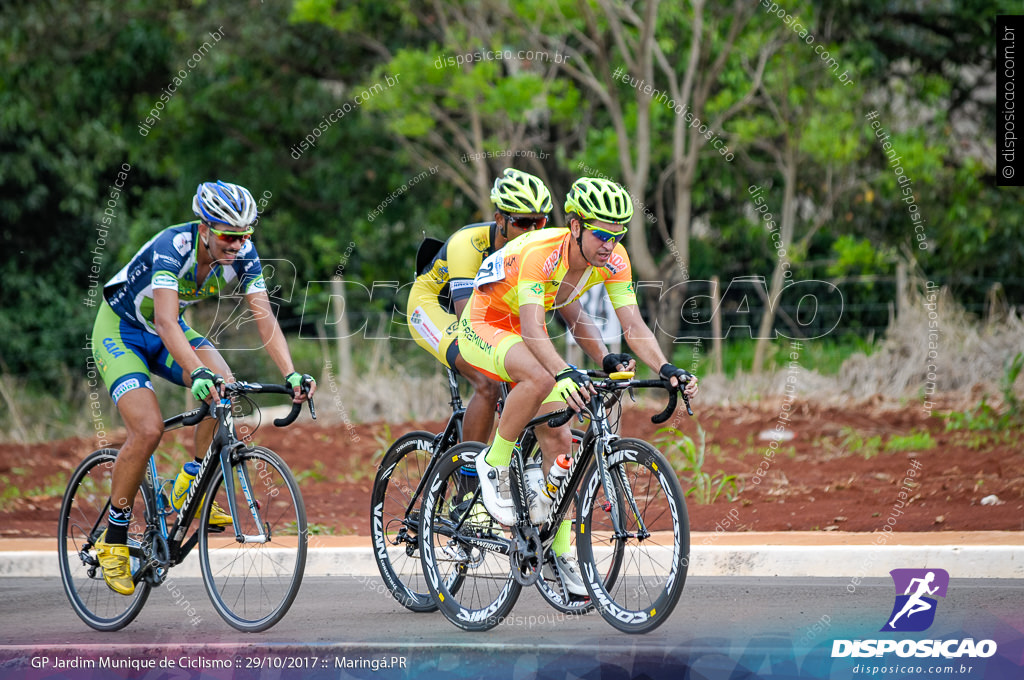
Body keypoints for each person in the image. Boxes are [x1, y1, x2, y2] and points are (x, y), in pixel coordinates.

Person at [458, 176, 700, 594]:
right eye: (602, 235)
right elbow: (534, 329)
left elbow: (633, 324)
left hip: (523, 331)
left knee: (561, 442)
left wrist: (665, 368)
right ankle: (493, 464)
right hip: (486, 323)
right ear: (575, 227)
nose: (610, 244)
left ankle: (561, 554)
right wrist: (565, 370)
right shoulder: (542, 253)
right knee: (541, 376)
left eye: (617, 234)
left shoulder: (614, 259)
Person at [90, 180, 316, 596]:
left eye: (246, 234)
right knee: (148, 429)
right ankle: (114, 539)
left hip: (166, 331)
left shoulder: (242, 254)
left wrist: (291, 374)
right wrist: (196, 372)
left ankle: (189, 482)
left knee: (226, 388)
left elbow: (264, 317)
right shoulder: (172, 246)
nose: (238, 243)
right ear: (206, 228)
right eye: (230, 235)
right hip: (122, 332)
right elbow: (164, 321)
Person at [407, 168, 552, 443]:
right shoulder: (468, 243)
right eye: (523, 223)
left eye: (540, 222)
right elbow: (469, 323)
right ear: (500, 219)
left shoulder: (535, 252)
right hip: (433, 308)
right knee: (488, 383)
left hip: (482, 312)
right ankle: (468, 477)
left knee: (533, 377)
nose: (532, 231)